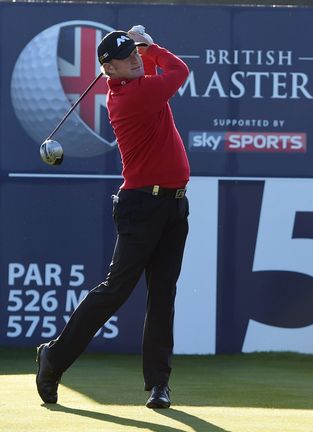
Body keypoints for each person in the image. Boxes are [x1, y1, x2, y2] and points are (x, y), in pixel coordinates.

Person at [35, 26, 191, 409]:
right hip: (141, 206)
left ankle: (159, 385)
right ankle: (53, 358)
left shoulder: (138, 85)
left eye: (135, 53)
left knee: (162, 294)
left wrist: (141, 47)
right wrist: (151, 43)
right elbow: (179, 71)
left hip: (174, 206)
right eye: (127, 57)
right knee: (115, 290)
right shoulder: (130, 98)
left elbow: (161, 73)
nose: (136, 59)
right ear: (111, 70)